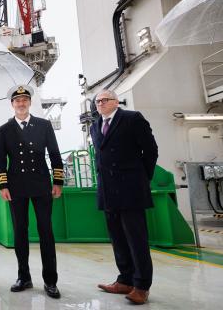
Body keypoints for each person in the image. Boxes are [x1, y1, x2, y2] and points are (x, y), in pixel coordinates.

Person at [0, 84, 64, 299]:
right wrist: (3, 186)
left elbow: (54, 154)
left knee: (46, 232)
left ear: (30, 103)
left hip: (41, 185)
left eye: (25, 100)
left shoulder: (43, 125)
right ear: (12, 104)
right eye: (17, 101)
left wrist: (58, 181)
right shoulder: (4, 130)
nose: (21, 103)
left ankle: (50, 281)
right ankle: (23, 277)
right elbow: (0, 160)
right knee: (20, 233)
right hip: (16, 188)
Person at [90, 89, 158, 305]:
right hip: (108, 191)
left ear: (116, 101)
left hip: (130, 190)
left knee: (136, 239)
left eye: (104, 100)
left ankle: (141, 285)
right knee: (117, 238)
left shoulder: (132, 119)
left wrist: (141, 178)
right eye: (97, 101)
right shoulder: (95, 125)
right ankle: (125, 279)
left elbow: (151, 150)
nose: (100, 103)